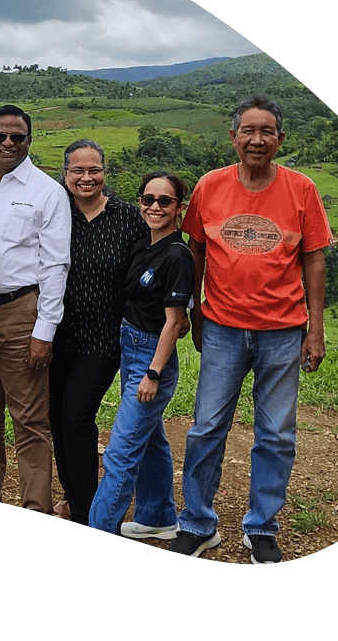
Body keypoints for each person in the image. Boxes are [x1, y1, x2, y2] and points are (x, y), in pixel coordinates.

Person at [169, 95, 333, 564]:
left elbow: (314, 260)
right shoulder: (210, 185)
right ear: (233, 136)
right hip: (221, 327)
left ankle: (261, 526)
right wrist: (194, 310)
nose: (257, 140)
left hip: (283, 330)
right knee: (206, 428)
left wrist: (315, 331)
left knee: (276, 434)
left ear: (280, 138)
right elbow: (195, 250)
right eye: (249, 131)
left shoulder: (301, 189)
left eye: (267, 132)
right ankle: (197, 523)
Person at [0, 105, 69, 513]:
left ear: (29, 140)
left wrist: (45, 329)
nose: (8, 144)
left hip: (21, 310)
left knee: (29, 418)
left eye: (17, 137)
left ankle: (34, 506)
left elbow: (56, 264)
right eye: (0, 136)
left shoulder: (46, 191)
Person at [48, 139, 148, 524]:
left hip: (106, 338)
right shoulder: (55, 212)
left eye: (94, 170)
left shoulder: (127, 217)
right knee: (57, 417)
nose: (87, 178)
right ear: (66, 173)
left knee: (76, 416)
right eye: (78, 170)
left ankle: (89, 509)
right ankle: (75, 499)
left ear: (105, 172)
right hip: (57, 334)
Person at [89, 171, 193, 536]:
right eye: (148, 199)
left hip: (150, 359)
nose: (155, 207)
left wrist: (153, 373)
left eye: (165, 201)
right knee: (149, 441)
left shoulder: (178, 256)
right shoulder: (144, 244)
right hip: (130, 349)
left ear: (179, 207)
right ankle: (158, 516)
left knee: (120, 453)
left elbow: (174, 322)